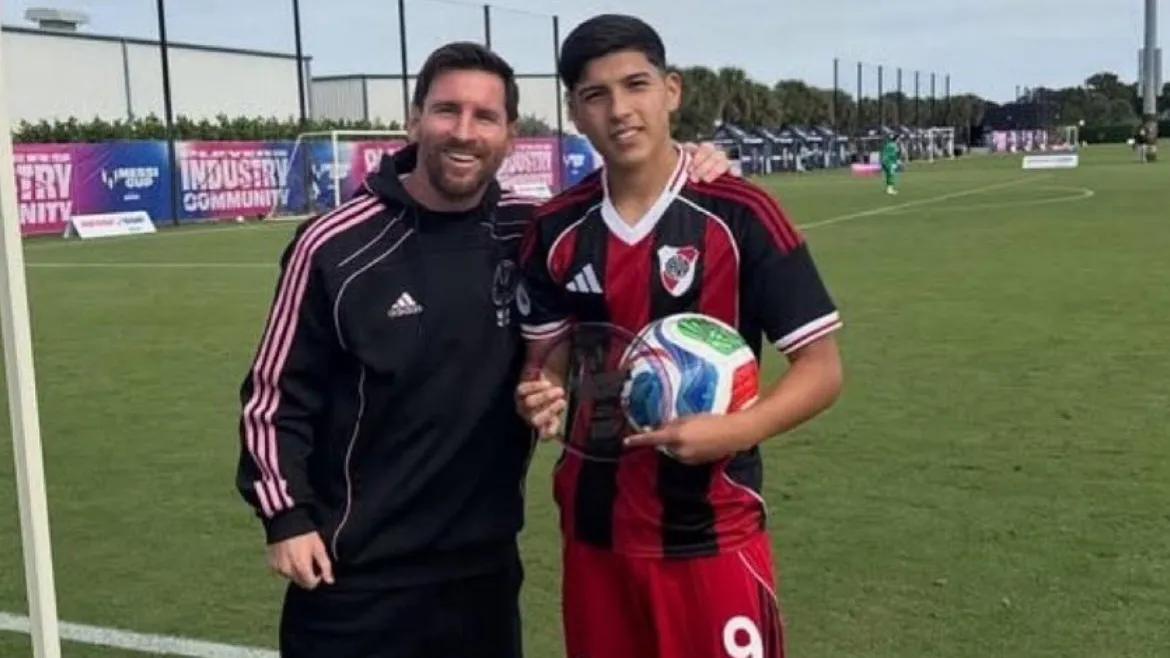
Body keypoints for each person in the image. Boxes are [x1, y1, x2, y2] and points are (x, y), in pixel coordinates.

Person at [234, 40, 734, 658]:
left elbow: (632, 206)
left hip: (484, 577)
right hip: (355, 577)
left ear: (510, 134)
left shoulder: (532, 229)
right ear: (415, 120)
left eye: (485, 116)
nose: (464, 132)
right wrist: (287, 518)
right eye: (447, 111)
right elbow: (274, 396)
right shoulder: (334, 245)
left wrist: (693, 161)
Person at [514, 14, 845, 658]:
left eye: (635, 85)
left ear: (672, 91)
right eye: (595, 95)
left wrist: (741, 429)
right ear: (575, 113)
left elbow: (822, 368)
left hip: (710, 530)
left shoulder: (740, 214)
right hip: (593, 531)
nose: (620, 110)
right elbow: (545, 358)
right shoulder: (554, 227)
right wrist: (544, 390)